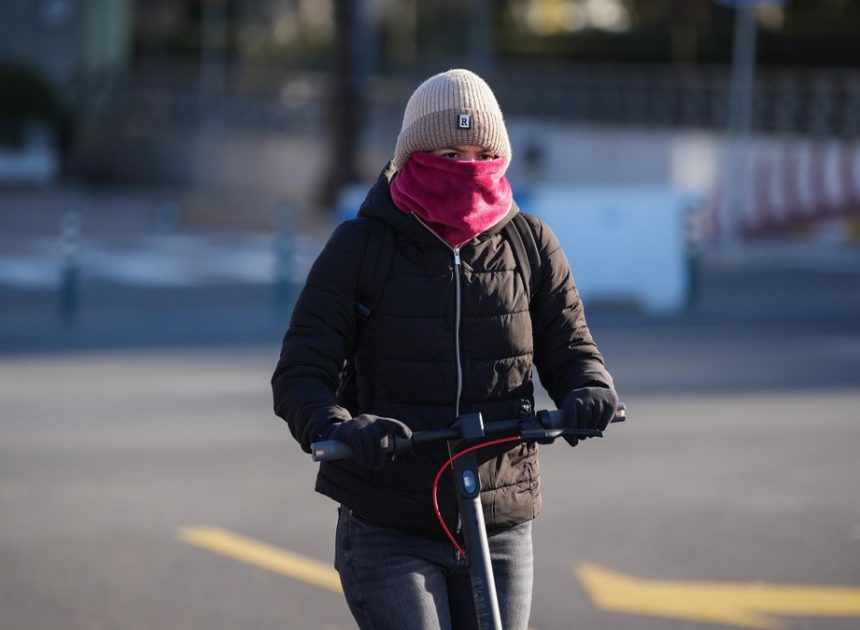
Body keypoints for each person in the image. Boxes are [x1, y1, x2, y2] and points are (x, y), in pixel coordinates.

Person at [272, 68, 617, 630]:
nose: (466, 167)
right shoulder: (360, 248)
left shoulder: (530, 244)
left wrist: (590, 390)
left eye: (481, 152)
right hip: (389, 525)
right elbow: (300, 372)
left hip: (500, 519)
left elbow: (572, 348)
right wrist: (337, 426)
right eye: (448, 153)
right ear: (411, 155)